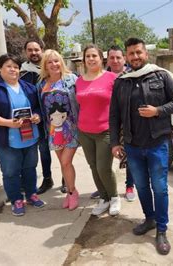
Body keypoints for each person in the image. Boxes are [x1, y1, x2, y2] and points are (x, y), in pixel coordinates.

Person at [109, 38, 173, 255]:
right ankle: (149, 219)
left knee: (160, 187)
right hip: (132, 145)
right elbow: (114, 115)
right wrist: (114, 142)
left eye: (138, 52)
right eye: (131, 54)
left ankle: (161, 229)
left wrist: (157, 111)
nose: (135, 57)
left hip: (158, 143)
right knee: (141, 186)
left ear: (145, 54)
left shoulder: (162, 75)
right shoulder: (122, 81)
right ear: (127, 57)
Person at [0, 54, 45, 216]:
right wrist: (7, 122)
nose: (13, 69)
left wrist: (37, 116)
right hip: (6, 139)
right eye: (8, 66)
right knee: (10, 171)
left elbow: (38, 107)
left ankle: (31, 194)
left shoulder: (29, 88)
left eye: (16, 66)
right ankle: (16, 199)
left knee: (30, 167)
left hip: (30, 137)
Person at [76, 44, 121, 216]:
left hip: (105, 130)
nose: (91, 59)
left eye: (94, 55)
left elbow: (118, 105)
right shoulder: (79, 80)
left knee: (104, 167)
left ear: (101, 58)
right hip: (84, 131)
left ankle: (114, 197)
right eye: (88, 56)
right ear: (84, 60)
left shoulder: (111, 78)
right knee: (93, 166)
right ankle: (104, 198)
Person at [90, 45, 135, 202]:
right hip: (106, 123)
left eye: (118, 57)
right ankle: (104, 187)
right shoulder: (101, 76)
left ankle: (130, 186)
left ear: (124, 59)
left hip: (128, 123)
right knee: (103, 160)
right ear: (106, 59)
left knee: (128, 155)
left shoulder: (132, 75)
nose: (115, 61)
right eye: (111, 58)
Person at [20, 39, 66, 194]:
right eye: (30, 50)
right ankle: (47, 179)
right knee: (44, 151)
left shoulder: (54, 70)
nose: (33, 53)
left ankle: (66, 179)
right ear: (26, 52)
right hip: (38, 119)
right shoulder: (23, 72)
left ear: (42, 49)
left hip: (58, 117)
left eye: (36, 49)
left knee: (63, 149)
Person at [38, 49, 79, 210]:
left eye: (56, 61)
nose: (54, 64)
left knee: (66, 161)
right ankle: (70, 192)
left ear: (61, 62)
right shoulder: (41, 83)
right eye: (50, 62)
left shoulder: (71, 79)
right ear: (45, 65)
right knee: (63, 165)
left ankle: (73, 192)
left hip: (71, 127)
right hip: (53, 130)